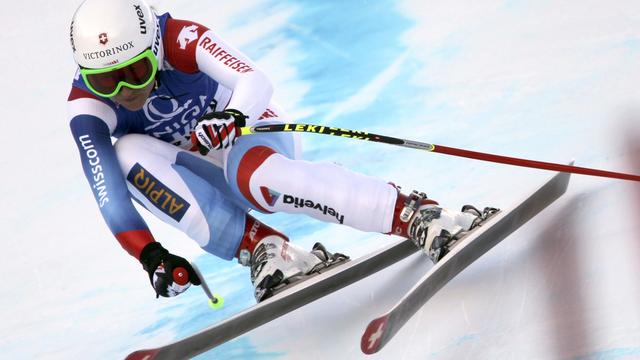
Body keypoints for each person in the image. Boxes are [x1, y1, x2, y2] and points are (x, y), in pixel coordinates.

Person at [67, 0, 492, 301]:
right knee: (125, 156)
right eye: (108, 82)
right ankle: (265, 249)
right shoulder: (87, 107)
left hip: (251, 134)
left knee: (252, 174)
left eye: (137, 71)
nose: (125, 91)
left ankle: (415, 213)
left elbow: (254, 80)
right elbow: (108, 193)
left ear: (153, 49)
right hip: (198, 166)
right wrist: (149, 254)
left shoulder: (180, 38)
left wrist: (232, 117)